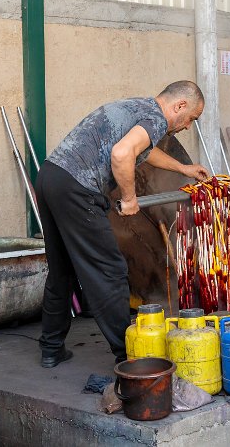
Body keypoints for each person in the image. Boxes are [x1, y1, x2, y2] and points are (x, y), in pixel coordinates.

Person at [35, 80, 209, 367]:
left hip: (51, 177)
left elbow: (143, 151)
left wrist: (182, 168)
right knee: (112, 271)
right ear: (180, 106)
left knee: (62, 269)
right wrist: (129, 198)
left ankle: (51, 350)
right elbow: (121, 154)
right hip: (77, 188)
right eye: (191, 118)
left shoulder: (138, 107)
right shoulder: (155, 118)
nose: (188, 126)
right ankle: (128, 356)